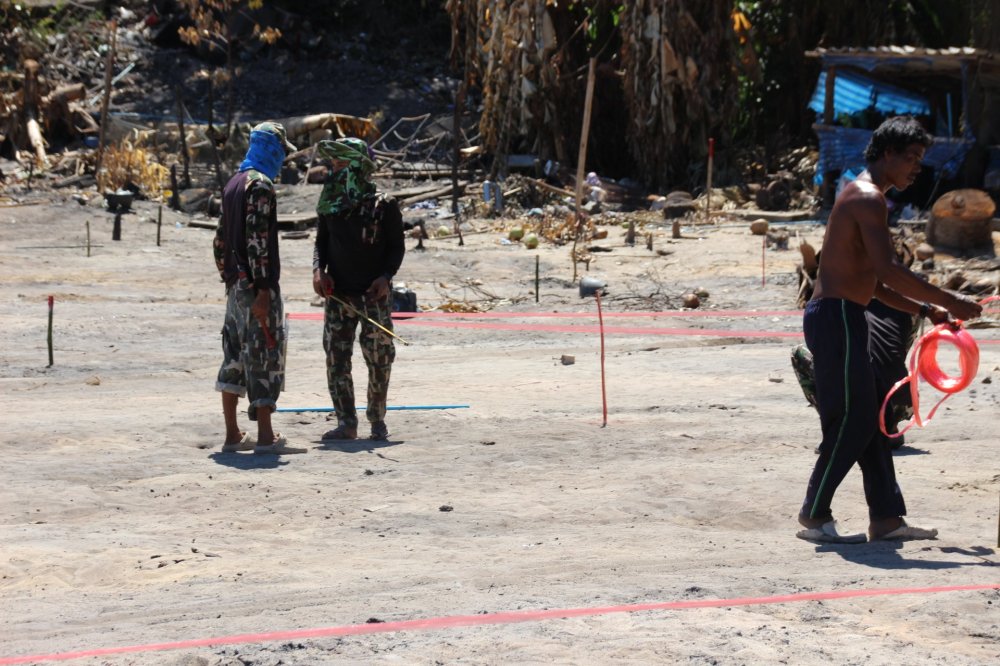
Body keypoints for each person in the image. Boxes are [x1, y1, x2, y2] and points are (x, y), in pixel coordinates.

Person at [796, 116, 982, 544]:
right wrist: (951, 300)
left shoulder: (865, 196)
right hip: (837, 318)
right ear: (886, 154)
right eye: (911, 157)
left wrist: (928, 311)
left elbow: (875, 285)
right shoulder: (867, 197)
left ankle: (886, 519)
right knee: (853, 419)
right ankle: (814, 513)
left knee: (874, 417)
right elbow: (889, 270)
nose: (917, 167)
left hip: (846, 316)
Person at [213, 121, 306, 455]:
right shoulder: (261, 185)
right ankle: (266, 437)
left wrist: (232, 279)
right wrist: (262, 289)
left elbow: (220, 242)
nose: (282, 158)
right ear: (272, 149)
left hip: (236, 287)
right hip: (257, 287)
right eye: (281, 151)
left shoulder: (233, 183)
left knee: (234, 355)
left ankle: (232, 435)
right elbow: (258, 242)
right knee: (263, 354)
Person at [312, 138, 405, 441]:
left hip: (373, 296)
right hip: (338, 296)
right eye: (333, 164)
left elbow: (396, 247)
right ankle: (346, 423)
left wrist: (386, 277)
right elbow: (321, 242)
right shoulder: (330, 202)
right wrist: (318, 271)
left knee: (379, 359)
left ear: (358, 166)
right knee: (336, 359)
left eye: (341, 164)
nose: (335, 170)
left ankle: (377, 420)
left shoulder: (384, 204)